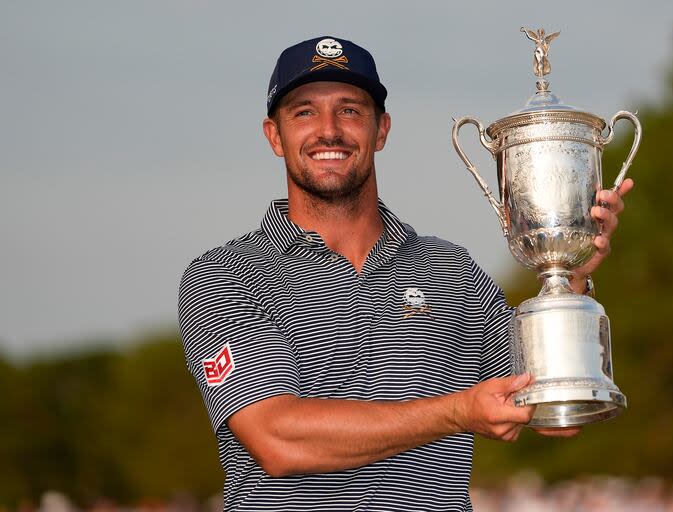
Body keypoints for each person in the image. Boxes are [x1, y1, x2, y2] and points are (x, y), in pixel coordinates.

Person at [178, 35, 633, 511]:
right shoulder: (224, 275)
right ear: (275, 135)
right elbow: (277, 440)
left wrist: (567, 277)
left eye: (351, 110)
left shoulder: (453, 271)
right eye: (304, 112)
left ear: (382, 130)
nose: (329, 130)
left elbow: (553, 411)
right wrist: (458, 411)